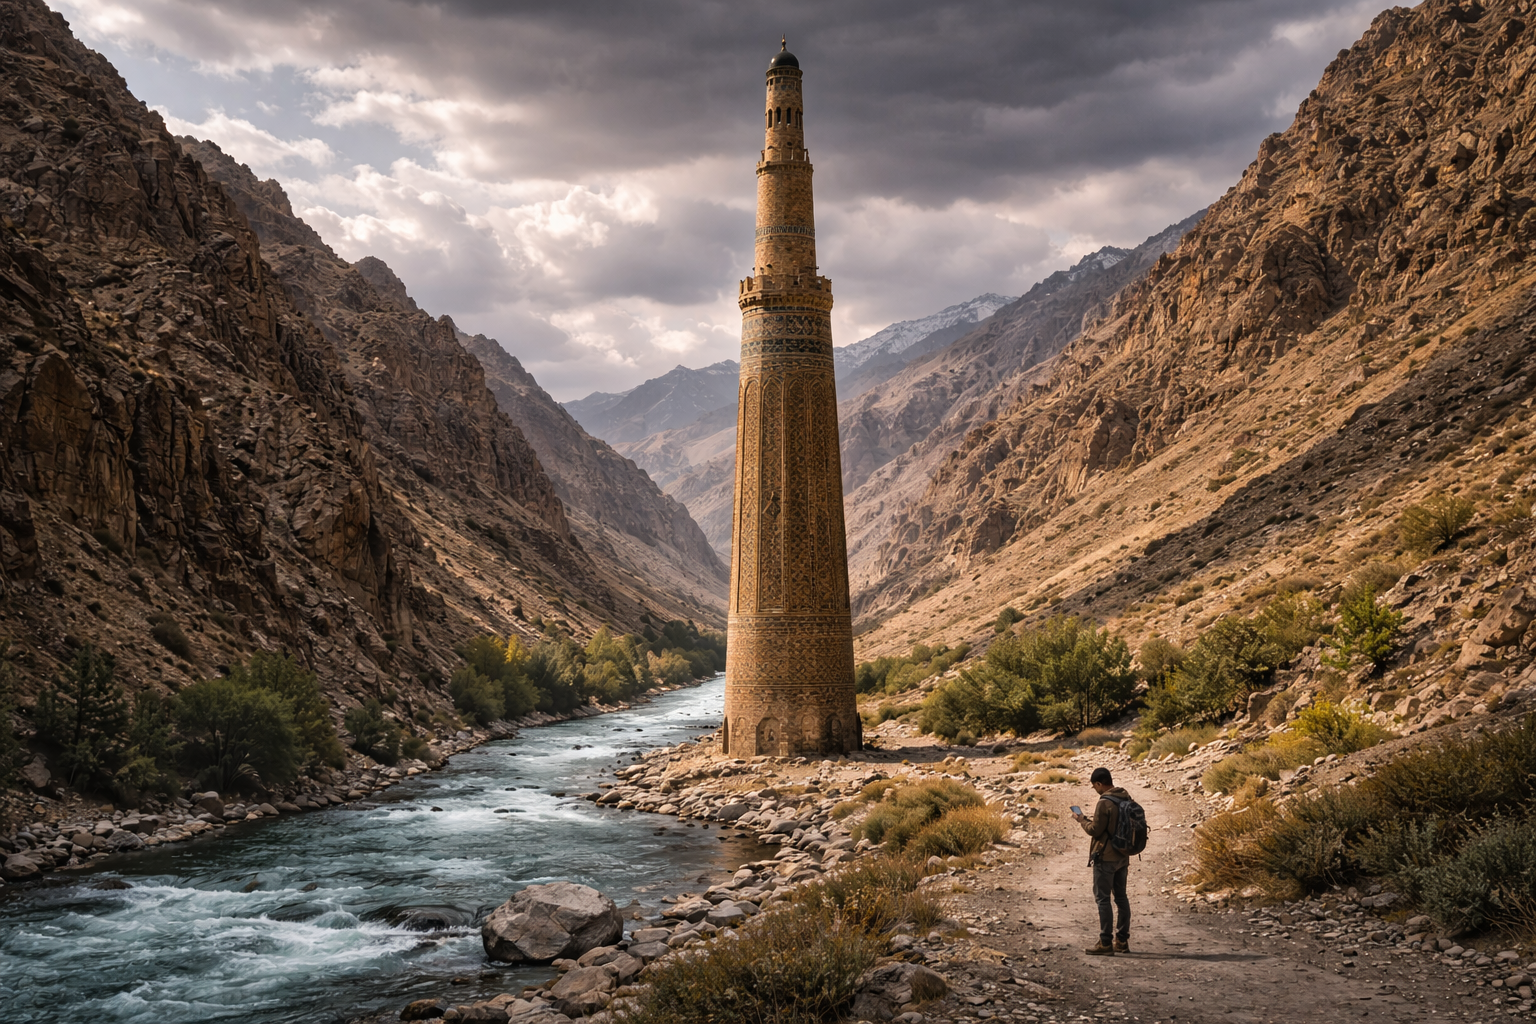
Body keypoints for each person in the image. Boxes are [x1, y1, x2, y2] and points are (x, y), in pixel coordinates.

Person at [1073, 766, 1131, 955]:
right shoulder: (1125, 797)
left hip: (1105, 858)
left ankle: (1105, 943)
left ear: (1099, 783)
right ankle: (1122, 941)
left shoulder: (1104, 802)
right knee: (1121, 898)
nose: (1095, 790)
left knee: (1103, 899)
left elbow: (1095, 830)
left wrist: (1081, 820)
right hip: (1123, 855)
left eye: (1094, 786)